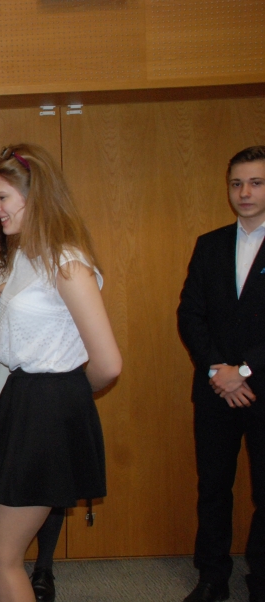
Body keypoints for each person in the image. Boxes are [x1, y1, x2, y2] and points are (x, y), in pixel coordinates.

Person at [0, 144, 122, 602]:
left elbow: (108, 363)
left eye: (2, 197)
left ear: (36, 196)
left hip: (48, 406)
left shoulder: (68, 264)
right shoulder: (25, 257)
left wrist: (63, 397)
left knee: (2, 555)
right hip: (21, 399)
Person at [177, 145, 265, 602]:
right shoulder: (209, 244)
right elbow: (190, 314)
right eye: (236, 183)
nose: (244, 192)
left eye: (256, 183)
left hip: (260, 387)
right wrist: (218, 369)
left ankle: (261, 579)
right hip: (214, 388)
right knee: (213, 487)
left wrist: (243, 370)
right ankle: (212, 577)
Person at [0, 214, 65, 602]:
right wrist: (3, 293)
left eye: (3, 197)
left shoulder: (63, 258)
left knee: (39, 488)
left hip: (42, 393)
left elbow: (102, 359)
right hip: (8, 390)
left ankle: (44, 567)